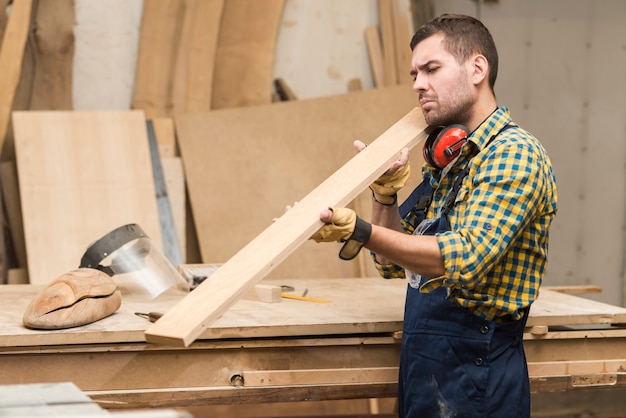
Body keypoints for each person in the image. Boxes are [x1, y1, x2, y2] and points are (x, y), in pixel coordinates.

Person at [311, 13, 558, 417]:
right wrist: (385, 194)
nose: (417, 85)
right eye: (414, 74)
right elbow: (392, 263)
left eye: (431, 69)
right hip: (426, 366)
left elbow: (462, 256)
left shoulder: (513, 154)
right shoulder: (450, 161)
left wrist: (360, 229)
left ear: (477, 68)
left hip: (478, 372)